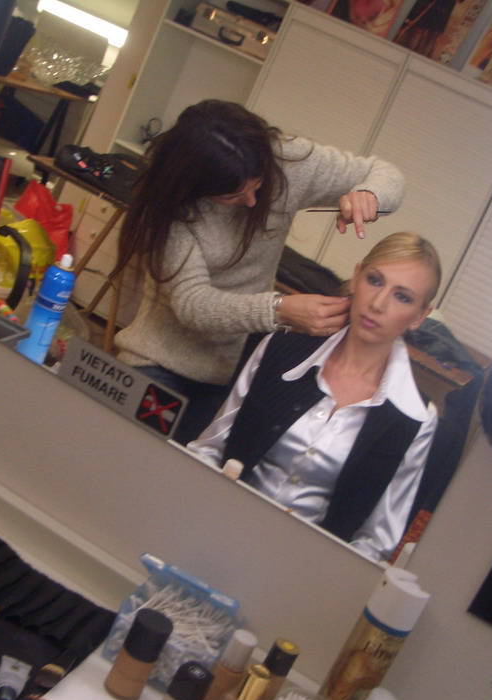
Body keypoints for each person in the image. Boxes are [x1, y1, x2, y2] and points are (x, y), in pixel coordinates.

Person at [113, 100, 405, 443]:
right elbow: (194, 304)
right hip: (158, 364)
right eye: (232, 195)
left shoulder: (286, 160)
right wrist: (279, 309)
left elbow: (388, 174)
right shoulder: (171, 206)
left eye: (258, 184)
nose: (253, 201)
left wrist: (368, 195)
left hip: (231, 373)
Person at [188, 232, 442, 562]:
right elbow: (209, 449)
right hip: (211, 529)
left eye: (402, 297)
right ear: (356, 276)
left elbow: (374, 543)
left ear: (420, 316)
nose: (378, 304)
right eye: (375, 280)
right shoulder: (281, 350)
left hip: (305, 570)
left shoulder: (416, 418)